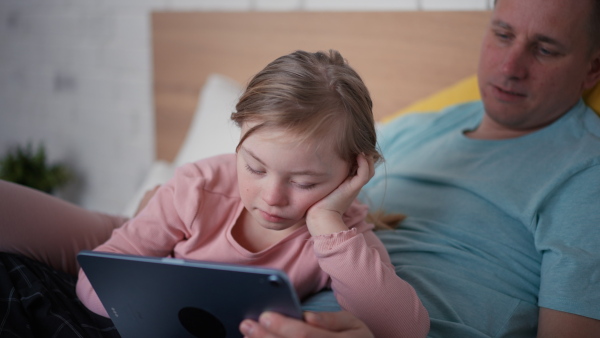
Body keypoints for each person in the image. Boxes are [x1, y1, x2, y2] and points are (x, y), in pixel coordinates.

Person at [0, 50, 429, 337]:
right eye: (255, 167)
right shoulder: (198, 187)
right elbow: (96, 282)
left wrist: (326, 222)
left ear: (353, 171)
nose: (272, 197)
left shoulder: (338, 234)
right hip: (137, 278)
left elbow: (404, 329)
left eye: (305, 183)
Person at [237, 0, 600, 337]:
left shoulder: (587, 171)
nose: (510, 67)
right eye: (503, 35)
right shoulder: (416, 127)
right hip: (286, 306)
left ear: (592, 68)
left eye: (545, 49)